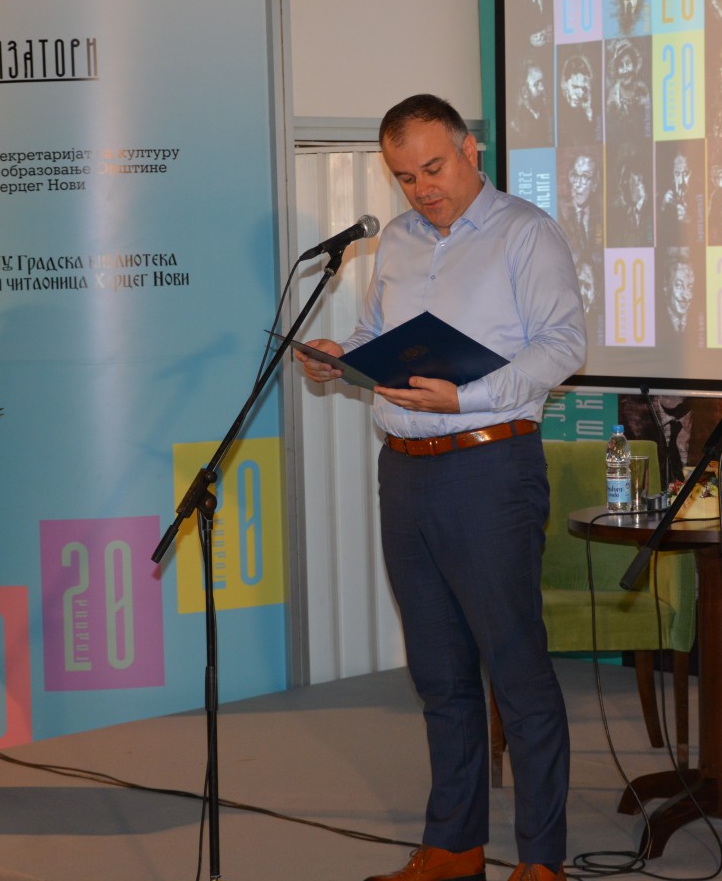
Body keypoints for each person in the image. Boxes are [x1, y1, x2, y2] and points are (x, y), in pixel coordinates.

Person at [296, 94, 585, 881]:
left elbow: (564, 343)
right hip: (405, 471)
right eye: (404, 177)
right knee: (439, 673)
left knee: (516, 672)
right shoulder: (396, 241)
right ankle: (455, 847)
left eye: (433, 168)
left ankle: (541, 862)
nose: (422, 189)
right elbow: (379, 337)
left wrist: (470, 396)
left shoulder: (525, 232)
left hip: (490, 468)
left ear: (469, 152)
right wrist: (340, 357)